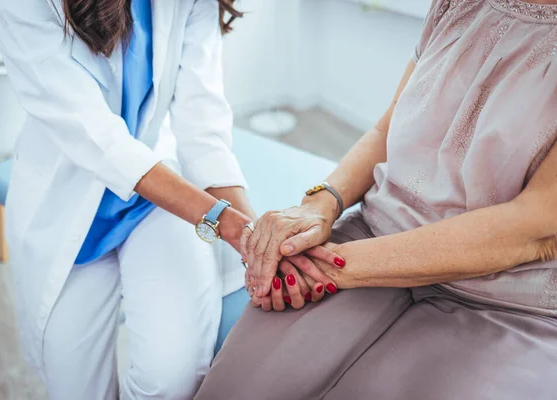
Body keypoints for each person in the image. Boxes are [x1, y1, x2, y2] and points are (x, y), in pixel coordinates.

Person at [197, 0, 557, 398]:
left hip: (507, 297)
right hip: (371, 233)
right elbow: (387, 129)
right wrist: (321, 204)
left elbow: (533, 228)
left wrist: (327, 266)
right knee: (236, 388)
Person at [0, 0, 339, 398]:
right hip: (67, 206)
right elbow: (93, 136)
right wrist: (231, 226)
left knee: (174, 379)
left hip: (159, 201)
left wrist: (260, 241)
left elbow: (201, 123)